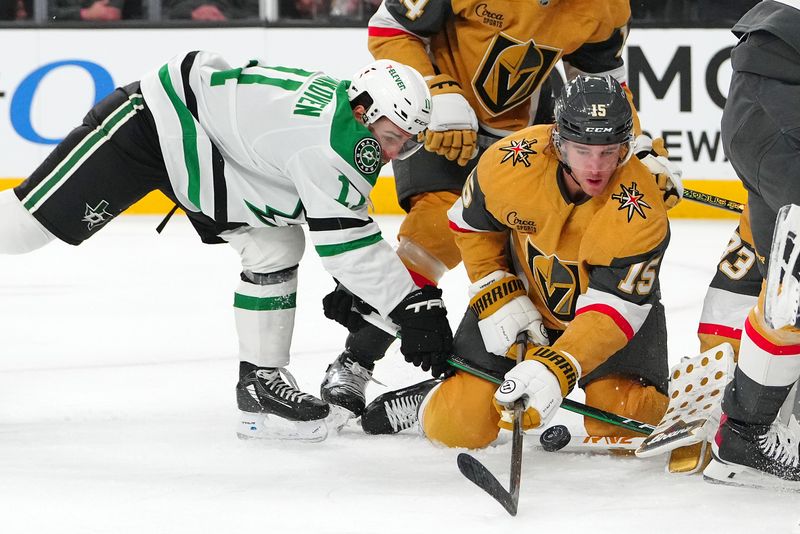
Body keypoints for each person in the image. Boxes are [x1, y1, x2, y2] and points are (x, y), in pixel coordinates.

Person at [0, 52, 454, 442]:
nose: (395, 152)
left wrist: (368, 287)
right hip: (150, 126)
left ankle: (259, 382)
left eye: (408, 142)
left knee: (275, 244)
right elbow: (345, 244)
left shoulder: (348, 117)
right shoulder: (336, 142)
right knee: (21, 230)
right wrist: (411, 304)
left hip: (208, 148)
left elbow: (333, 217)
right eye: (393, 137)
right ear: (363, 110)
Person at [318, 0, 685, 421]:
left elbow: (600, 82)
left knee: (546, 257)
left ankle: (465, 386)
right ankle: (356, 361)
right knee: (431, 239)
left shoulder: (604, 6)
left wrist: (634, 150)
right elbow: (389, 28)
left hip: (526, 141)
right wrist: (436, 91)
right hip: (438, 126)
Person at [356, 75, 671, 448]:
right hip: (523, 301)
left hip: (602, 319)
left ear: (626, 146)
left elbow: (614, 309)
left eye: (608, 151)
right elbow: (469, 224)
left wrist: (559, 366)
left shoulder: (642, 209)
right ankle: (430, 399)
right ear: (558, 142)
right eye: (582, 150)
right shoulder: (512, 161)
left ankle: (671, 399)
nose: (596, 167)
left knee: (624, 422)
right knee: (461, 427)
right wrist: (497, 291)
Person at [701, 0, 800, 489]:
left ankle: (749, 430)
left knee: (788, 282)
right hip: (777, 91)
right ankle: (746, 436)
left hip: (773, 87)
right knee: (793, 288)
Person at [162, 0, 256, 20]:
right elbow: (161, 10)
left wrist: (226, 15)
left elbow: (254, 11)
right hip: (181, 31)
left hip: (228, 31)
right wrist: (190, 13)